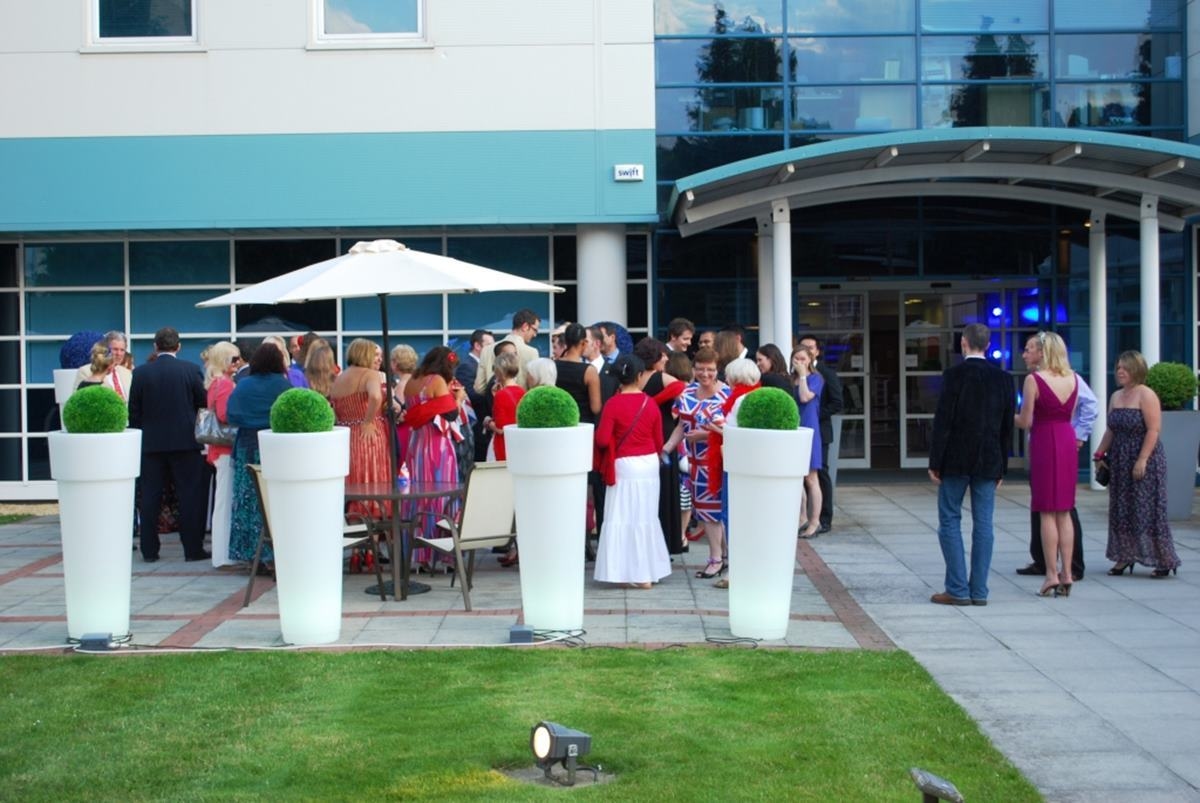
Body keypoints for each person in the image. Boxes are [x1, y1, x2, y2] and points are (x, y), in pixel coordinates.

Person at [927, 323, 1014, 606]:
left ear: (964, 343)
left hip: (956, 457)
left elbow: (944, 421)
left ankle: (957, 587)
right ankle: (979, 590)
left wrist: (935, 460)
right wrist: (1002, 464)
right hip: (989, 458)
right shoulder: (1003, 378)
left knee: (950, 519)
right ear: (987, 345)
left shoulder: (953, 375)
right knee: (984, 524)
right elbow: (1005, 426)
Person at [1015, 332, 1096, 581]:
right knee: (1064, 509)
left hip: (1043, 440)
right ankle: (1068, 573)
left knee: (1046, 511)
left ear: (1043, 352)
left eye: (1029, 349)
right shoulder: (1073, 378)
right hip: (1066, 439)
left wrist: (1006, 415)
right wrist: (1079, 436)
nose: (1024, 353)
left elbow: (1026, 420)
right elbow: (1085, 406)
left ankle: (1051, 574)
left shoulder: (1034, 380)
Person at [1094, 350, 1182, 578]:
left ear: (1136, 370)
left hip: (1145, 457)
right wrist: (1100, 454)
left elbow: (1153, 429)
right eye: (1118, 367)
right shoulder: (1116, 396)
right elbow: (1111, 428)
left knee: (1147, 509)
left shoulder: (1146, 395)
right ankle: (1124, 556)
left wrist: (1142, 459)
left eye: (1125, 368)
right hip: (1120, 458)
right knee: (1121, 509)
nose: (1120, 371)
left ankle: (1163, 559)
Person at [128, 327, 210, 563]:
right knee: (189, 496)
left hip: (151, 445)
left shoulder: (141, 373)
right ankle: (193, 549)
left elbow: (134, 411)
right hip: (185, 443)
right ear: (178, 346)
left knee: (150, 497)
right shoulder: (190, 370)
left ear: (156, 346)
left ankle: (149, 550)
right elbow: (202, 403)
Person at [594, 355, 672, 588]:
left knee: (621, 516)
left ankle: (623, 571)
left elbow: (601, 439)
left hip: (624, 465)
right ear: (640, 376)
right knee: (645, 517)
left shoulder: (612, 404)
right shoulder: (650, 403)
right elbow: (659, 441)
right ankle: (646, 573)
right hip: (648, 464)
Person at [663, 347, 728, 582]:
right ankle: (722, 557)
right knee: (705, 512)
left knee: (714, 513)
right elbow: (681, 425)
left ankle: (716, 559)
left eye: (710, 369)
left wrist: (702, 435)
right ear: (693, 369)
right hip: (695, 463)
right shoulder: (687, 392)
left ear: (717, 369)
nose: (705, 374)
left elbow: (731, 430)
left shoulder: (727, 395)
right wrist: (666, 448)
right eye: (700, 369)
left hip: (718, 461)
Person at [226, 343, 292, 567]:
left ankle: (250, 552)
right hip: (275, 448)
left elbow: (231, 415)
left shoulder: (243, 385)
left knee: (247, 500)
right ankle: (274, 553)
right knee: (273, 502)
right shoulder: (283, 385)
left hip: (247, 447)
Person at [404, 346, 464, 572]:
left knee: (418, 498)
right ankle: (439, 556)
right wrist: (457, 398)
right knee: (441, 496)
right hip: (437, 445)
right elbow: (451, 413)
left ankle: (417, 555)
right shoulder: (437, 380)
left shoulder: (412, 380)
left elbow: (413, 412)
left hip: (416, 445)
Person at [330, 338, 391, 520]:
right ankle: (373, 535)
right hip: (369, 435)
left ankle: (357, 533)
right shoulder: (370, 374)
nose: (377, 358)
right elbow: (375, 396)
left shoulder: (340, 378)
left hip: (347, 436)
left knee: (354, 482)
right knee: (373, 482)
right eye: (373, 353)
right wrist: (368, 420)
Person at [635, 337, 686, 555]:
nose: (666, 358)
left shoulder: (635, 379)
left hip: (642, 433)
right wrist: (654, 403)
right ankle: (666, 543)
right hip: (663, 432)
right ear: (654, 356)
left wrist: (646, 403)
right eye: (662, 354)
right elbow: (680, 387)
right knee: (665, 488)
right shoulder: (661, 377)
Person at [202, 341, 240, 569]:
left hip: (218, 449)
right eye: (234, 359)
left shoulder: (216, 383)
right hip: (225, 448)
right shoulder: (225, 384)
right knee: (224, 502)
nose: (237, 363)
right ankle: (223, 554)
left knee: (222, 501)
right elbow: (226, 415)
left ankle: (221, 553)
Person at [799, 335, 843, 533]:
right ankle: (804, 517)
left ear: (816, 351)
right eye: (803, 349)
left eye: (810, 348)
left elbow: (837, 402)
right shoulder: (795, 376)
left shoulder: (824, 374)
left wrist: (816, 415)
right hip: (800, 430)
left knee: (820, 474)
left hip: (819, 429)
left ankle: (824, 518)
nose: (806, 353)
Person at [791, 345, 824, 539]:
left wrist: (803, 375)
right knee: (797, 477)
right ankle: (802, 517)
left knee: (812, 478)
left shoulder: (815, 379)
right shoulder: (790, 379)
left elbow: (805, 397)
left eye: (803, 359)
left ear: (810, 360)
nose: (799, 363)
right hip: (794, 429)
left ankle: (815, 521)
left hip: (810, 430)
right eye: (796, 359)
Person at [473, 308, 540, 394]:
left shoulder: (486, 350)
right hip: (520, 405)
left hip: (494, 404)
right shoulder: (532, 352)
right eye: (534, 330)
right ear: (525, 326)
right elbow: (534, 389)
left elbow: (479, 388)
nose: (535, 335)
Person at [485, 352, 523, 461]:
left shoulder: (501, 394)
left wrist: (488, 422)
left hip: (503, 445)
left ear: (498, 371)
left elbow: (501, 428)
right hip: (518, 444)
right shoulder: (522, 391)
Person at [74, 330, 132, 398]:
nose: (119, 354)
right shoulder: (85, 371)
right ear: (106, 349)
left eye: (122, 350)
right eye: (115, 349)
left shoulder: (127, 373)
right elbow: (76, 401)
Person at [390, 344, 419, 468]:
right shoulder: (417, 381)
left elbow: (400, 413)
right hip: (416, 431)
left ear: (396, 363)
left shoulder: (401, 385)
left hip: (404, 432)